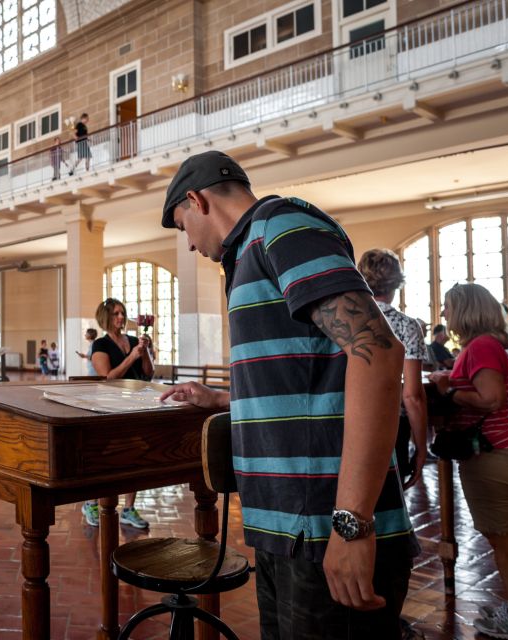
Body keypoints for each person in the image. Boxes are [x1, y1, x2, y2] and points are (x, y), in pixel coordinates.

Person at [158, 151, 418, 638]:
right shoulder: (249, 253)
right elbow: (308, 377)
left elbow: (379, 354)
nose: (188, 243)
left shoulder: (282, 227)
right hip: (288, 529)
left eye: (182, 225)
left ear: (197, 200)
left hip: (325, 526)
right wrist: (223, 400)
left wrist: (351, 525)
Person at [429, 284, 508, 639]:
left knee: (505, 544)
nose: (444, 314)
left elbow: (491, 399)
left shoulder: (481, 346)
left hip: (491, 454)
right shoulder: (484, 345)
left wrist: (448, 390)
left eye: (448, 307)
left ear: (466, 310)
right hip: (498, 451)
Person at [358, 249, 428, 490]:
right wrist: (421, 447)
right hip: (390, 424)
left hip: (349, 423)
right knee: (391, 498)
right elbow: (412, 396)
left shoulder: (344, 325)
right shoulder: (407, 326)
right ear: (397, 282)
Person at [83, 298, 154, 530]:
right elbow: (108, 378)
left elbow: (148, 374)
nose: (121, 317)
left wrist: (144, 352)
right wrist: (132, 356)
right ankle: (91, 503)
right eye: (116, 314)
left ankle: (128, 509)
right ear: (106, 317)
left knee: (135, 456)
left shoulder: (132, 340)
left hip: (135, 404)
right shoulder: (100, 345)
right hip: (109, 406)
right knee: (105, 458)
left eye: (122, 313)